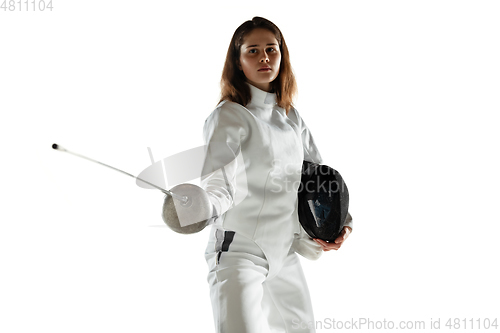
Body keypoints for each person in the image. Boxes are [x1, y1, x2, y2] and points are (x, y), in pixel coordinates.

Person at [200, 17, 353, 333]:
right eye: (252, 51)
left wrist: (341, 223)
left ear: (282, 56)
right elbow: (219, 181)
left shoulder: (289, 115)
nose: (264, 58)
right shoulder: (229, 115)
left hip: (284, 251)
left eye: (271, 49)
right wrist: (200, 206)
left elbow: (318, 179)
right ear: (238, 62)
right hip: (239, 251)